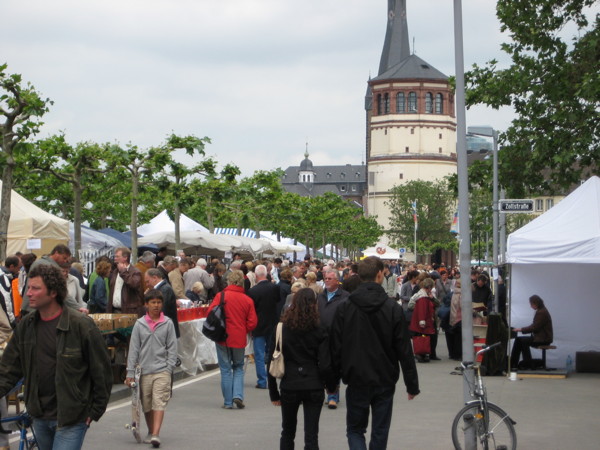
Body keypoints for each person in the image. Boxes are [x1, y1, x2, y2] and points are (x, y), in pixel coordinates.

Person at [0, 264, 113, 449]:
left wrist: (95, 411)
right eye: (28, 288)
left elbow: (101, 371)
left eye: (35, 288)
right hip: (38, 415)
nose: (28, 293)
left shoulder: (81, 325)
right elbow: (8, 370)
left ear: (53, 292)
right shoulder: (26, 326)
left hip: (71, 416)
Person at [330, 256, 419, 449]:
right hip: (384, 377)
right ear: (380, 275)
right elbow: (404, 349)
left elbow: (335, 346)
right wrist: (411, 384)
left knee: (355, 429)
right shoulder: (392, 308)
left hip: (356, 375)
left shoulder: (345, 307)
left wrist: (331, 382)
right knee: (380, 429)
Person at [268, 288, 336, 450]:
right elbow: (326, 362)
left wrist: (273, 392)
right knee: (312, 434)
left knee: (287, 431)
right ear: (314, 304)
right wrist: (331, 386)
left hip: (289, 383)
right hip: (313, 382)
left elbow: (272, 359)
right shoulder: (320, 328)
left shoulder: (282, 328)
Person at [125, 289, 178, 448]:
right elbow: (133, 349)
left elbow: (173, 348)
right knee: (146, 404)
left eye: (159, 302)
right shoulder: (139, 324)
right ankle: (150, 430)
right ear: (146, 305)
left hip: (162, 370)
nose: (156, 305)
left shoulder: (167, 323)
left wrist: (169, 368)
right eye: (153, 303)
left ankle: (156, 434)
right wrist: (130, 373)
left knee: (159, 402)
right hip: (144, 371)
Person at [207, 270, 257, 409]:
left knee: (225, 368)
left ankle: (228, 402)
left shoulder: (220, 296)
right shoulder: (247, 300)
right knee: (239, 367)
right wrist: (243, 329)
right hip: (239, 337)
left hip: (222, 336)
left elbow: (210, 313)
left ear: (228, 281)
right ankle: (238, 395)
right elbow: (252, 322)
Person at [316, 268, 349, 409]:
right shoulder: (320, 297)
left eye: (330, 278)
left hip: (338, 337)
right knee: (324, 366)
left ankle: (333, 395)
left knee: (336, 367)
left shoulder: (345, 297)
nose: (327, 281)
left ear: (337, 280)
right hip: (321, 337)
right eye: (325, 279)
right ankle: (329, 391)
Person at [247, 265, 281, 389]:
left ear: (256, 276)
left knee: (259, 354)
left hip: (258, 325)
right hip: (272, 323)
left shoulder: (252, 291)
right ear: (266, 274)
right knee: (271, 353)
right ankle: (271, 379)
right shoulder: (275, 288)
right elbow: (277, 302)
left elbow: (251, 310)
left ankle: (262, 380)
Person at [510, 295, 553, 370]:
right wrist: (522, 329)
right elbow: (535, 326)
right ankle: (514, 363)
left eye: (531, 304)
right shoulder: (542, 310)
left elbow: (534, 327)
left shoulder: (542, 312)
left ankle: (527, 363)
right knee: (519, 340)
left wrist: (521, 329)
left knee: (523, 341)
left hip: (544, 339)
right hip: (541, 337)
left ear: (536, 303)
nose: (530, 306)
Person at [108, 247, 144, 316]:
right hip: (114, 311)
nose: (115, 258)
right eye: (115, 256)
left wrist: (123, 272)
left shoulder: (135, 272)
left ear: (125, 258)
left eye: (117, 256)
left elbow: (134, 284)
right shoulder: (115, 272)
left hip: (129, 312)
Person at [408, 278, 436, 363]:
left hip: (419, 321)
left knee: (420, 338)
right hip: (423, 322)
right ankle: (421, 354)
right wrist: (422, 321)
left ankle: (421, 354)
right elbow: (422, 310)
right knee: (423, 338)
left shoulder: (421, 296)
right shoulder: (423, 298)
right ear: (429, 287)